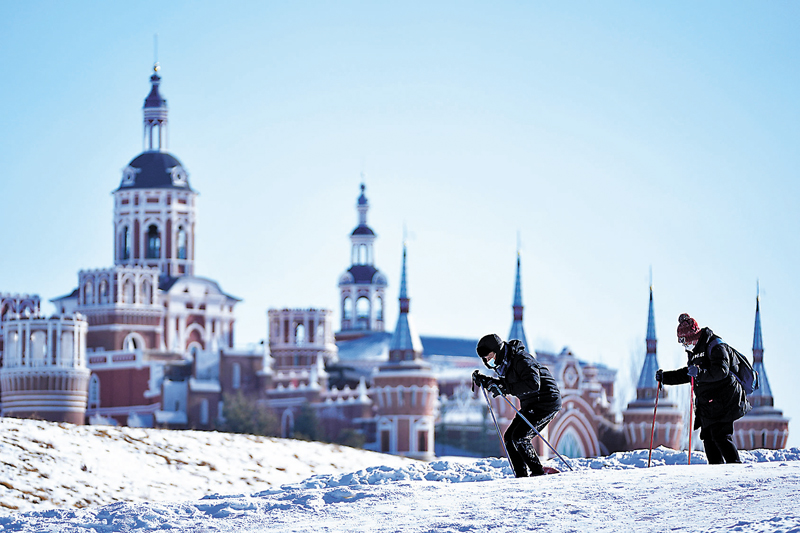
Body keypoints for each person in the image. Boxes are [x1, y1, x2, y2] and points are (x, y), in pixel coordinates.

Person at [656, 313, 751, 464]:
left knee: (720, 435)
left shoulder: (715, 345)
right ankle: (716, 474)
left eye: (685, 341)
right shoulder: (693, 352)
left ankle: (735, 470)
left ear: (694, 336)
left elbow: (722, 371)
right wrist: (666, 377)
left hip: (726, 400)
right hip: (709, 403)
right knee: (708, 439)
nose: (684, 345)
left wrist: (700, 372)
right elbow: (688, 374)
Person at [472, 334, 562, 477]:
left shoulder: (521, 359)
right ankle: (521, 475)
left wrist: (504, 388)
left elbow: (533, 384)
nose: (488, 362)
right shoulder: (504, 364)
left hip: (546, 401)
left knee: (520, 437)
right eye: (485, 360)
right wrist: (486, 381)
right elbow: (508, 384)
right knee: (509, 437)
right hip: (531, 403)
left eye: (489, 357)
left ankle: (538, 473)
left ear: (498, 350)